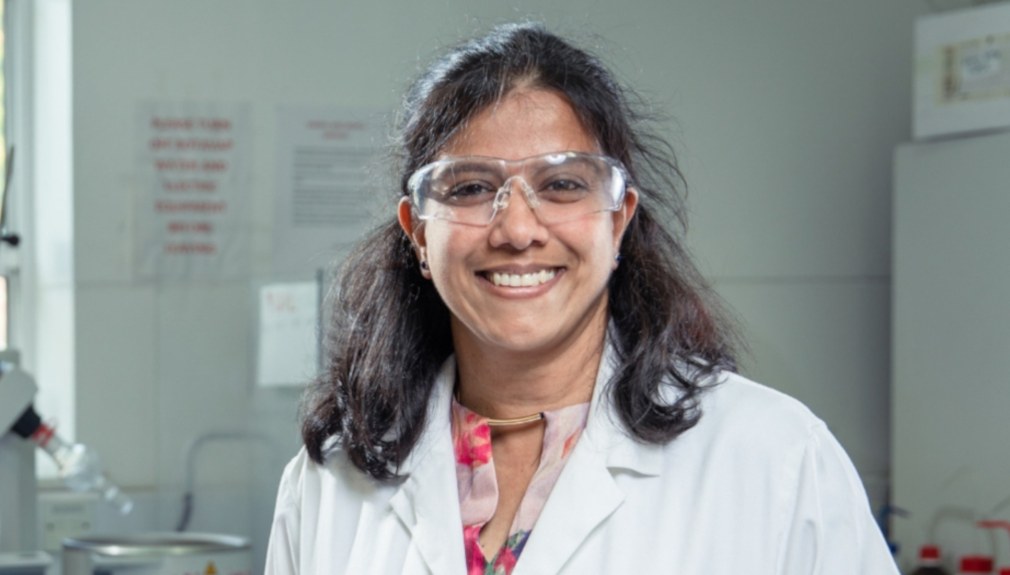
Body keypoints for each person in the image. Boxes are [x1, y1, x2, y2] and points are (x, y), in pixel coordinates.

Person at [264, 23, 897, 575]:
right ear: (418, 233)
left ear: (618, 219)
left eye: (562, 184)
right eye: (471, 188)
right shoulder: (331, 482)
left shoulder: (775, 461)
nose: (516, 229)